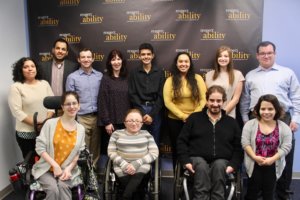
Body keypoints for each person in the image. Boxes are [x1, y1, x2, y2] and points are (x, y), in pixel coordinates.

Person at [240, 41, 300, 200]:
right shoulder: (251, 75)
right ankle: (257, 194)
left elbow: (296, 97)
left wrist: (296, 119)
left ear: (275, 54)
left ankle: (282, 194)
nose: (266, 56)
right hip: (255, 118)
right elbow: (245, 101)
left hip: (282, 118)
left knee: (283, 157)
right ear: (257, 56)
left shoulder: (287, 73)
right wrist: (246, 119)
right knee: (256, 156)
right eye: (262, 53)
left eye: (269, 53)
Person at [177, 85, 242, 200]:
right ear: (206, 101)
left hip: (223, 162)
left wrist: (233, 165)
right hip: (196, 160)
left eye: (219, 101)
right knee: (201, 166)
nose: (215, 104)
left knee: (219, 165)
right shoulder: (194, 118)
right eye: (212, 100)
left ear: (223, 102)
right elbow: (181, 142)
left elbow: (238, 148)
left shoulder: (231, 123)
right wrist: (185, 162)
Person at [32, 91, 85, 200]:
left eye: (74, 103)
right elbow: (40, 148)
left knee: (63, 186)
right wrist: (55, 165)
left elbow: (78, 152)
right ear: (62, 107)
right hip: (46, 169)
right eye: (68, 104)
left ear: (79, 106)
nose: (71, 107)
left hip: (67, 170)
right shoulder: (50, 124)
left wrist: (69, 169)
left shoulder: (81, 129)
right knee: (53, 189)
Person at [241, 94, 292, 200]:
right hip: (254, 163)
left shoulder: (284, 127)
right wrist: (255, 157)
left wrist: (272, 160)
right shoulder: (250, 125)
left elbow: (286, 147)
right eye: (263, 109)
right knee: (252, 193)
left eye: (270, 109)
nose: (266, 112)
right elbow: (245, 143)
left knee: (269, 194)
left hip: (273, 165)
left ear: (276, 110)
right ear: (258, 110)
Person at [163, 52, 206, 170]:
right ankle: (178, 175)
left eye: (186, 61)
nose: (183, 64)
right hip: (175, 121)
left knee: (194, 148)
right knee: (177, 149)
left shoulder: (198, 78)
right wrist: (182, 116)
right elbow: (168, 102)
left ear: (190, 63)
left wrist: (193, 116)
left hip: (196, 120)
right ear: (176, 64)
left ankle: (193, 174)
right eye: (180, 61)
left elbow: (203, 100)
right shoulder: (170, 80)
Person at [107, 109, 159, 200]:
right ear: (125, 122)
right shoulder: (116, 134)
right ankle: (137, 195)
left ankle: (125, 197)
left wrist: (137, 163)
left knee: (137, 177)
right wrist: (124, 164)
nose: (134, 123)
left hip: (142, 164)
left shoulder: (146, 134)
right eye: (130, 120)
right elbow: (111, 152)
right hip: (121, 165)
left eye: (137, 121)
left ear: (142, 123)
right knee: (133, 186)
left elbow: (154, 153)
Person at [8, 57, 54, 158]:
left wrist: (44, 124)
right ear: (20, 70)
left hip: (45, 131)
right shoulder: (16, 87)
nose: (30, 69)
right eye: (26, 67)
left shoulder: (44, 84)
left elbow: (51, 106)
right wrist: (36, 124)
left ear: (36, 69)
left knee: (46, 162)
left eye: (32, 66)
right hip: (26, 134)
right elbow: (17, 112)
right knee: (31, 164)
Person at [66, 48, 102, 165]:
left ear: (92, 59)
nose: (86, 59)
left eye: (88, 57)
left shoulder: (99, 76)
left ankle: (94, 171)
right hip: (81, 117)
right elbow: (70, 100)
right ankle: (84, 172)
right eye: (83, 57)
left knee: (96, 147)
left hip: (97, 117)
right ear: (79, 59)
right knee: (82, 147)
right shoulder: (72, 77)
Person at [128, 43, 165, 145]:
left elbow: (161, 95)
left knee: (155, 140)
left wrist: (152, 115)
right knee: (140, 139)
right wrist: (143, 113)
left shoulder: (160, 72)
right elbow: (132, 94)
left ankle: (154, 161)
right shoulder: (133, 73)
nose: (146, 57)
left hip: (155, 110)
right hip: (139, 109)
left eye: (148, 54)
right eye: (143, 54)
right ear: (139, 56)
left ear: (153, 55)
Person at [98, 49, 131, 154]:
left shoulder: (127, 78)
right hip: (112, 123)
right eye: (113, 59)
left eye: (118, 59)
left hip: (126, 122)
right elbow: (102, 101)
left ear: (122, 61)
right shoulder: (106, 79)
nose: (116, 62)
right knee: (113, 151)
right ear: (109, 62)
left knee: (126, 150)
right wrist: (107, 122)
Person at [205, 45, 244, 118]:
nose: (223, 58)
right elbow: (206, 98)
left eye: (226, 56)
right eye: (220, 56)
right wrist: (214, 114)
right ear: (217, 58)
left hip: (228, 115)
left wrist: (222, 114)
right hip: (210, 115)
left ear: (230, 58)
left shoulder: (238, 75)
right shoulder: (208, 75)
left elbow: (236, 99)